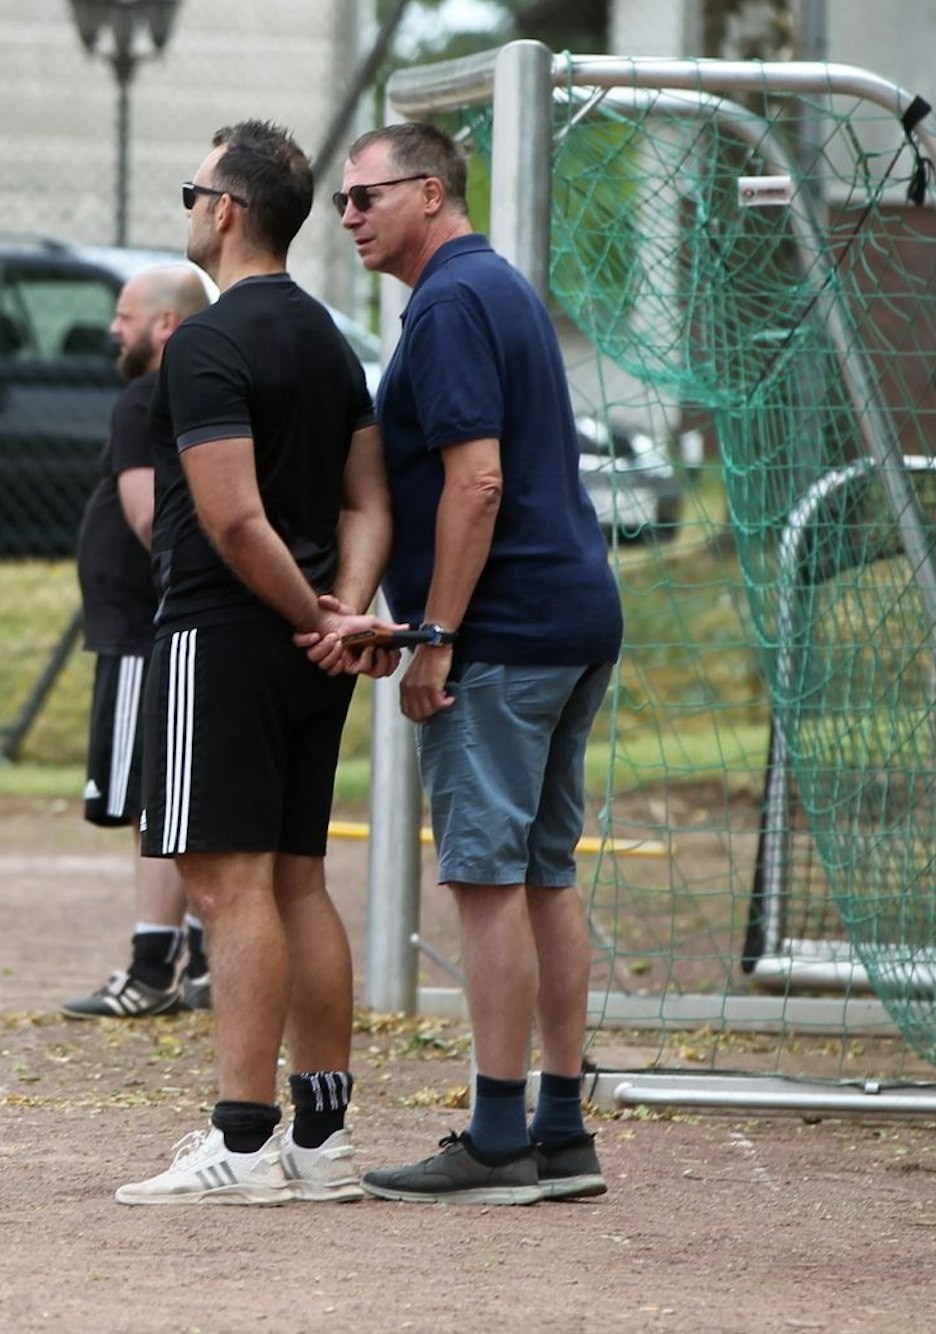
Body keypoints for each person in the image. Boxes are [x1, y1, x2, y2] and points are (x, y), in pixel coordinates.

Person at [114, 119, 399, 1206]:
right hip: (307, 651)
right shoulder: (327, 338)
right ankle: (320, 1145)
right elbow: (367, 502)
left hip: (223, 635)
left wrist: (312, 615)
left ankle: (241, 1145)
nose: (189, 209)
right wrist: (342, 614)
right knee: (297, 880)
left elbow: (232, 521)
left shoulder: (206, 340)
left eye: (194, 193)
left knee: (227, 887)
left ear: (226, 211)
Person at [337, 122, 623, 1204]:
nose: (350, 217)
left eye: (365, 197)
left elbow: (479, 480)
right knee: (544, 873)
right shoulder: (496, 284)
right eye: (343, 202)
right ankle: (561, 1129)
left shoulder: (450, 300)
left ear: (429, 192)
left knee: (486, 878)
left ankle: (498, 1136)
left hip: (500, 631)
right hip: (571, 613)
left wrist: (435, 633)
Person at [62, 265, 212, 1021]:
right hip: (163, 626)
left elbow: (153, 519)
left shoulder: (144, 397)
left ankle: (152, 968)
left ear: (164, 325)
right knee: (178, 795)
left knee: (152, 802)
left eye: (124, 316)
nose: (112, 330)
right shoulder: (201, 393)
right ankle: (206, 960)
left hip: (140, 631)